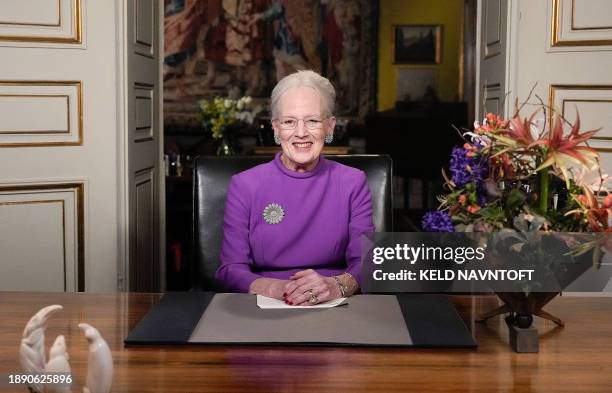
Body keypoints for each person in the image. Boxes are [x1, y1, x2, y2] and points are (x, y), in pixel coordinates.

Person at [215, 70, 374, 306]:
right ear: (276, 129)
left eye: (312, 120)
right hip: (264, 304)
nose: (301, 133)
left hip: (335, 305)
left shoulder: (353, 181)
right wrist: (278, 288)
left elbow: (368, 263)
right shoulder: (245, 184)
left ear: (329, 127)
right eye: (289, 122)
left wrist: (337, 285)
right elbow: (230, 269)